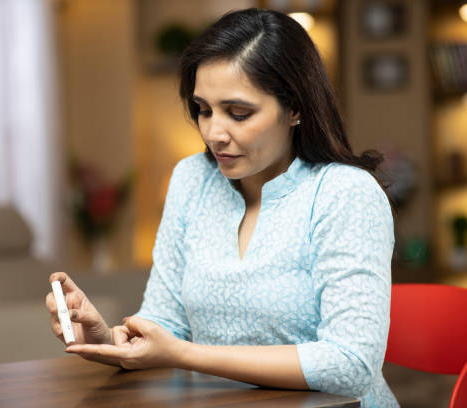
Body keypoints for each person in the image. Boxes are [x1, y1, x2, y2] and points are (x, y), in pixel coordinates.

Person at [45, 8, 398, 407]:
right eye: (203, 109)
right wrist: (107, 340)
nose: (214, 133)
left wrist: (185, 355)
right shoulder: (192, 179)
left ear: (295, 108)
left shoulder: (345, 194)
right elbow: (165, 324)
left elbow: (350, 365)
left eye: (239, 113)